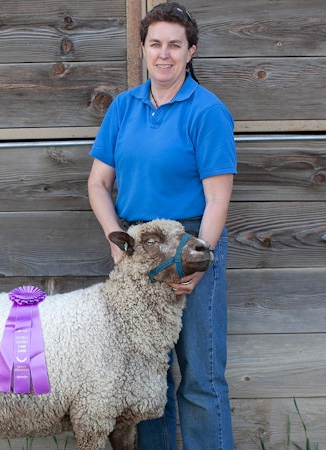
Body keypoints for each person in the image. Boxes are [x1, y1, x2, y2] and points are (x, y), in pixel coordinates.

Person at [87, 2, 236, 449]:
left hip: (191, 240)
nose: (164, 54)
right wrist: (119, 243)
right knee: (145, 376)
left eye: (175, 44)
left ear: (191, 52)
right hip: (138, 247)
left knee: (201, 373)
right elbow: (98, 183)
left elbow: (217, 197)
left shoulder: (207, 112)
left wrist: (199, 260)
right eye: (156, 44)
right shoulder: (123, 107)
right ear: (144, 49)